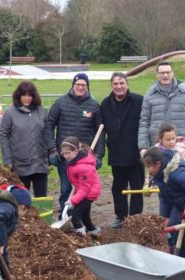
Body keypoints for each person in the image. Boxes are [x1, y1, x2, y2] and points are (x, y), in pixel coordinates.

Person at [44, 73, 104, 219]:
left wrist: (99, 154)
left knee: (85, 188)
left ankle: (81, 216)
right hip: (66, 156)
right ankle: (64, 216)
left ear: (87, 87)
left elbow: (100, 131)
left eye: (84, 85)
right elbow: (48, 125)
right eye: (78, 84)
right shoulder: (60, 103)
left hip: (85, 157)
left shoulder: (94, 106)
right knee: (66, 188)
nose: (80, 87)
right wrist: (52, 149)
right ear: (73, 85)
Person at [142, 147, 185, 258]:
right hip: (180, 206)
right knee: (174, 233)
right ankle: (179, 259)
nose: (148, 170)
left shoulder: (177, 173)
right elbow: (165, 198)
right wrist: (164, 217)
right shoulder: (160, 175)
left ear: (158, 164)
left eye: (149, 167)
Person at [100, 72, 144, 229]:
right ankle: (121, 215)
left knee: (136, 186)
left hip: (136, 152)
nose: (119, 87)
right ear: (111, 86)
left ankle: (135, 217)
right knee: (118, 186)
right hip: (116, 152)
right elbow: (101, 128)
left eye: (121, 83)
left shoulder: (139, 101)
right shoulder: (105, 104)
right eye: (115, 84)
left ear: (127, 84)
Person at [138, 61, 185, 156]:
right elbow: (144, 121)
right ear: (157, 75)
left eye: (168, 72)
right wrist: (143, 147)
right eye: (162, 73)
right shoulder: (149, 95)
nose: (165, 75)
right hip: (157, 147)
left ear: (172, 73)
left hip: (180, 146)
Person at [0, 81, 48, 197]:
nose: (27, 98)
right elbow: (3, 135)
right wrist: (7, 160)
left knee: (42, 199)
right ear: (18, 96)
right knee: (21, 201)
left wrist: (49, 154)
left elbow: (48, 133)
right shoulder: (10, 113)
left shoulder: (42, 111)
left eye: (29, 95)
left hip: (40, 164)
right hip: (20, 165)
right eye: (24, 95)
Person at [61, 136, 102, 239]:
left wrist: (73, 201)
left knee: (75, 218)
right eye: (63, 153)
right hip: (83, 190)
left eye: (68, 153)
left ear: (76, 150)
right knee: (85, 217)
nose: (65, 156)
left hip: (89, 193)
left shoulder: (83, 166)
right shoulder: (75, 160)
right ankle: (95, 235)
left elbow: (85, 189)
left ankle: (82, 240)